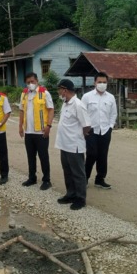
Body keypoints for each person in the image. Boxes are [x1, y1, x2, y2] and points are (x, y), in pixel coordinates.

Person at [54, 79, 91, 211]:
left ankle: (80, 199)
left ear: (65, 90)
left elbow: (86, 126)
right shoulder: (65, 103)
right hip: (64, 144)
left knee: (78, 173)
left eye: (59, 89)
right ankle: (70, 194)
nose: (58, 92)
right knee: (68, 171)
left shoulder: (78, 105)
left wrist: (78, 136)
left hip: (74, 145)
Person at [81, 72, 117, 189]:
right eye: (99, 82)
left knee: (103, 155)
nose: (102, 84)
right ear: (94, 83)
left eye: (104, 82)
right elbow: (82, 113)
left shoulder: (111, 97)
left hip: (105, 130)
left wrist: (110, 127)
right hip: (90, 130)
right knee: (92, 153)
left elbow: (113, 114)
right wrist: (84, 128)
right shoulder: (87, 97)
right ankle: (84, 178)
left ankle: (100, 179)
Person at [19, 72, 54, 190]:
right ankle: (32, 178)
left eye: (32, 82)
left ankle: (46, 180)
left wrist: (48, 126)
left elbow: (50, 110)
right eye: (28, 82)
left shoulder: (44, 93)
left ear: (37, 81)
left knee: (43, 156)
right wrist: (20, 126)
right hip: (28, 132)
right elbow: (21, 111)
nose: (30, 84)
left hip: (41, 132)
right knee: (30, 156)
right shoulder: (24, 94)